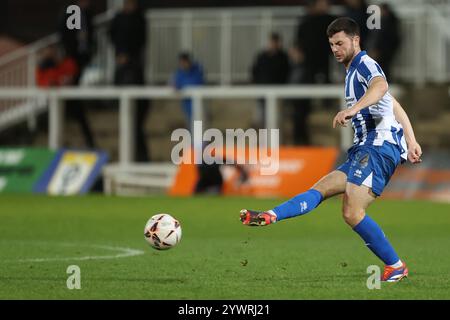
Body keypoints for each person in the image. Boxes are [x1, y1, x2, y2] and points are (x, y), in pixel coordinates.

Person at [240, 17, 423, 283]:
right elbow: (392, 102)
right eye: (331, 44)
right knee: (320, 189)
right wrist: (413, 139)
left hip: (378, 146)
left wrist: (353, 109)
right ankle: (271, 215)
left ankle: (396, 266)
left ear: (355, 40)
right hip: (365, 148)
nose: (335, 49)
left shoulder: (365, 63)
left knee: (351, 211)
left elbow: (381, 87)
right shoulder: (351, 72)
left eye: (340, 43)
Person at [109, 0, 150, 162]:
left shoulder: (139, 19)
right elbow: (112, 35)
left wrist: (128, 55)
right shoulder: (118, 18)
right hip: (125, 82)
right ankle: (133, 156)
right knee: (129, 125)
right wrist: (120, 53)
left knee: (136, 125)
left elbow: (140, 40)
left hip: (137, 94)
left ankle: (141, 157)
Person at [251, 32, 290, 127]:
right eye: (272, 42)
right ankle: (263, 139)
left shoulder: (283, 57)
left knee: (277, 119)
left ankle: (277, 140)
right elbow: (255, 71)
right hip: (262, 92)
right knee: (261, 118)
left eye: (275, 42)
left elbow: (286, 73)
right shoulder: (262, 56)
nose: (273, 44)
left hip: (278, 92)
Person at [295, 0, 336, 84]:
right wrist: (298, 50)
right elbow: (299, 38)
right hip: (309, 57)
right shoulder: (305, 22)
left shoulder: (330, 20)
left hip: (325, 56)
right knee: (309, 80)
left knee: (326, 79)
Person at [366, 3, 401, 81]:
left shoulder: (386, 23)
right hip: (384, 49)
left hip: (383, 50)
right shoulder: (388, 22)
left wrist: (377, 49)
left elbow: (381, 38)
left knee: (383, 67)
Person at [172, 52, 205, 130]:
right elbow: (175, 84)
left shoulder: (197, 71)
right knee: (190, 127)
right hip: (187, 106)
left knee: (201, 127)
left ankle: (202, 141)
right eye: (182, 62)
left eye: (185, 62)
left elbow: (198, 83)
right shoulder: (179, 73)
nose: (183, 64)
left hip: (200, 105)